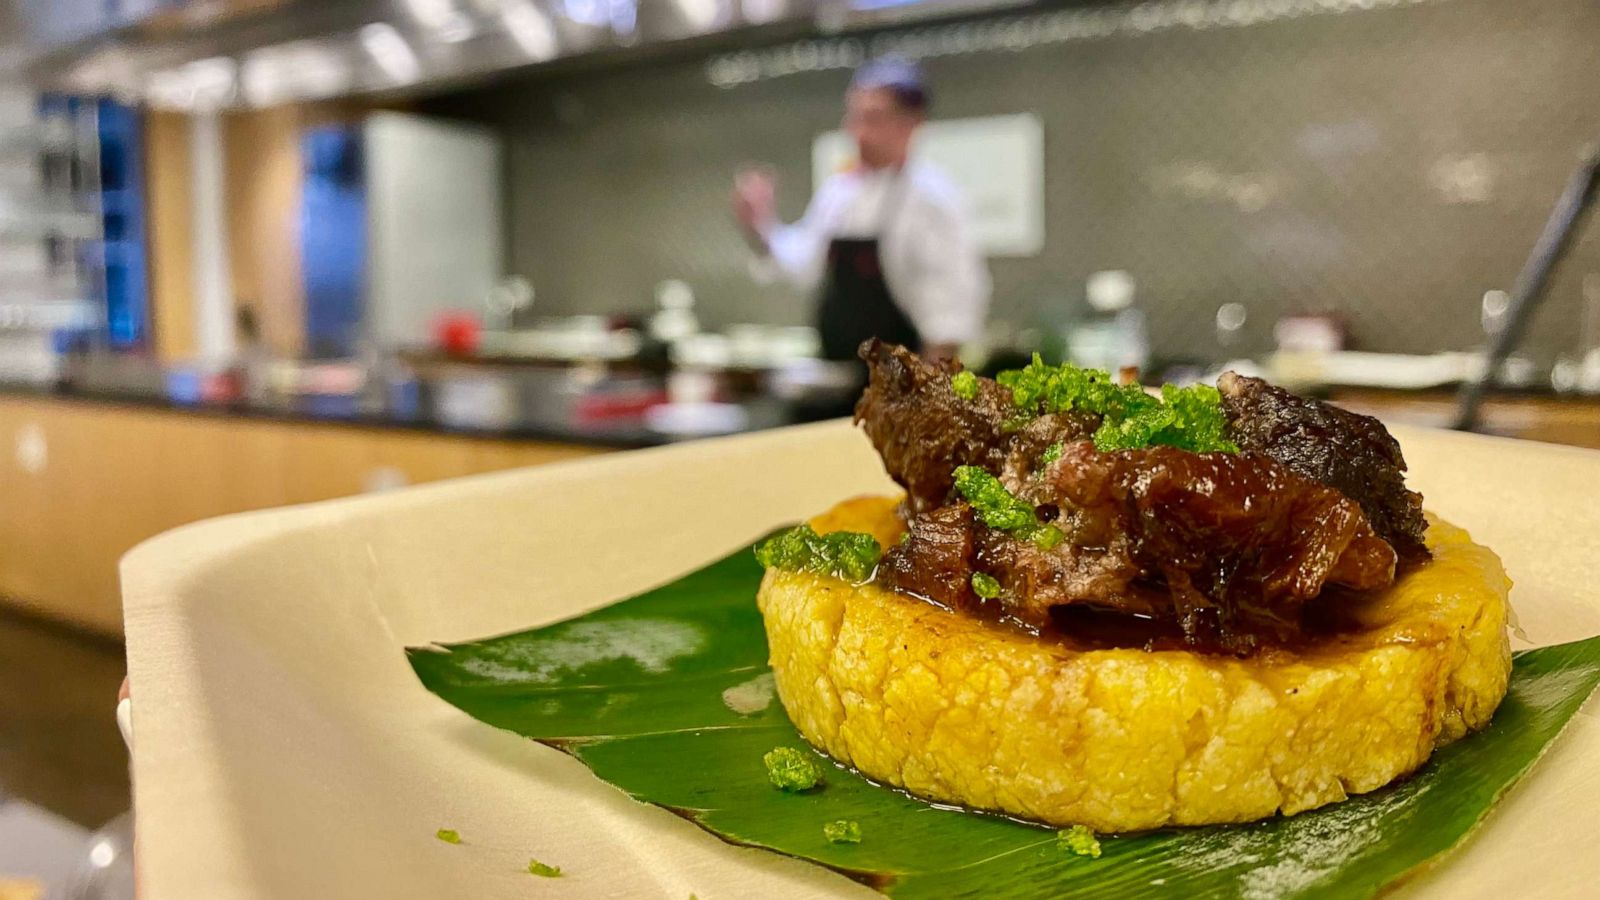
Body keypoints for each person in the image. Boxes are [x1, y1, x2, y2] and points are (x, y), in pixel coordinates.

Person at [733, 57, 991, 384]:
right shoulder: (839, 192)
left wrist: (926, 395)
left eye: (873, 118)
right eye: (854, 117)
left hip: (901, 386)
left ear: (912, 123)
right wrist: (759, 226)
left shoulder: (932, 200)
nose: (858, 133)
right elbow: (804, 263)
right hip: (838, 381)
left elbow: (951, 312)